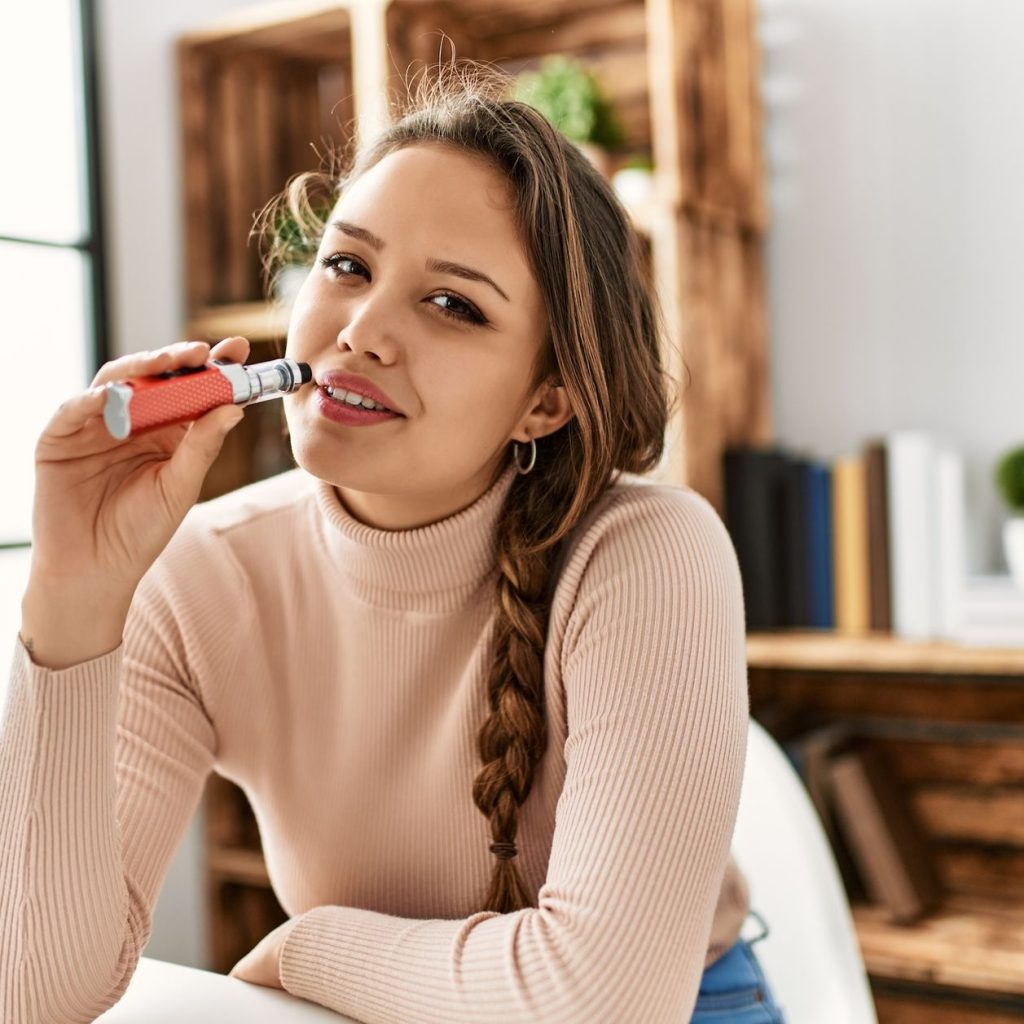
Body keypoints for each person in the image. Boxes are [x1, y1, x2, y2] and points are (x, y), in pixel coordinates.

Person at [1, 62, 785, 1023]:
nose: (361, 333)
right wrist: (73, 601)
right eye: (347, 266)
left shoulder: (649, 554)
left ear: (547, 400)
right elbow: (29, 992)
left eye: (453, 304)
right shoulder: (202, 572)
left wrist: (307, 946)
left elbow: (601, 1003)